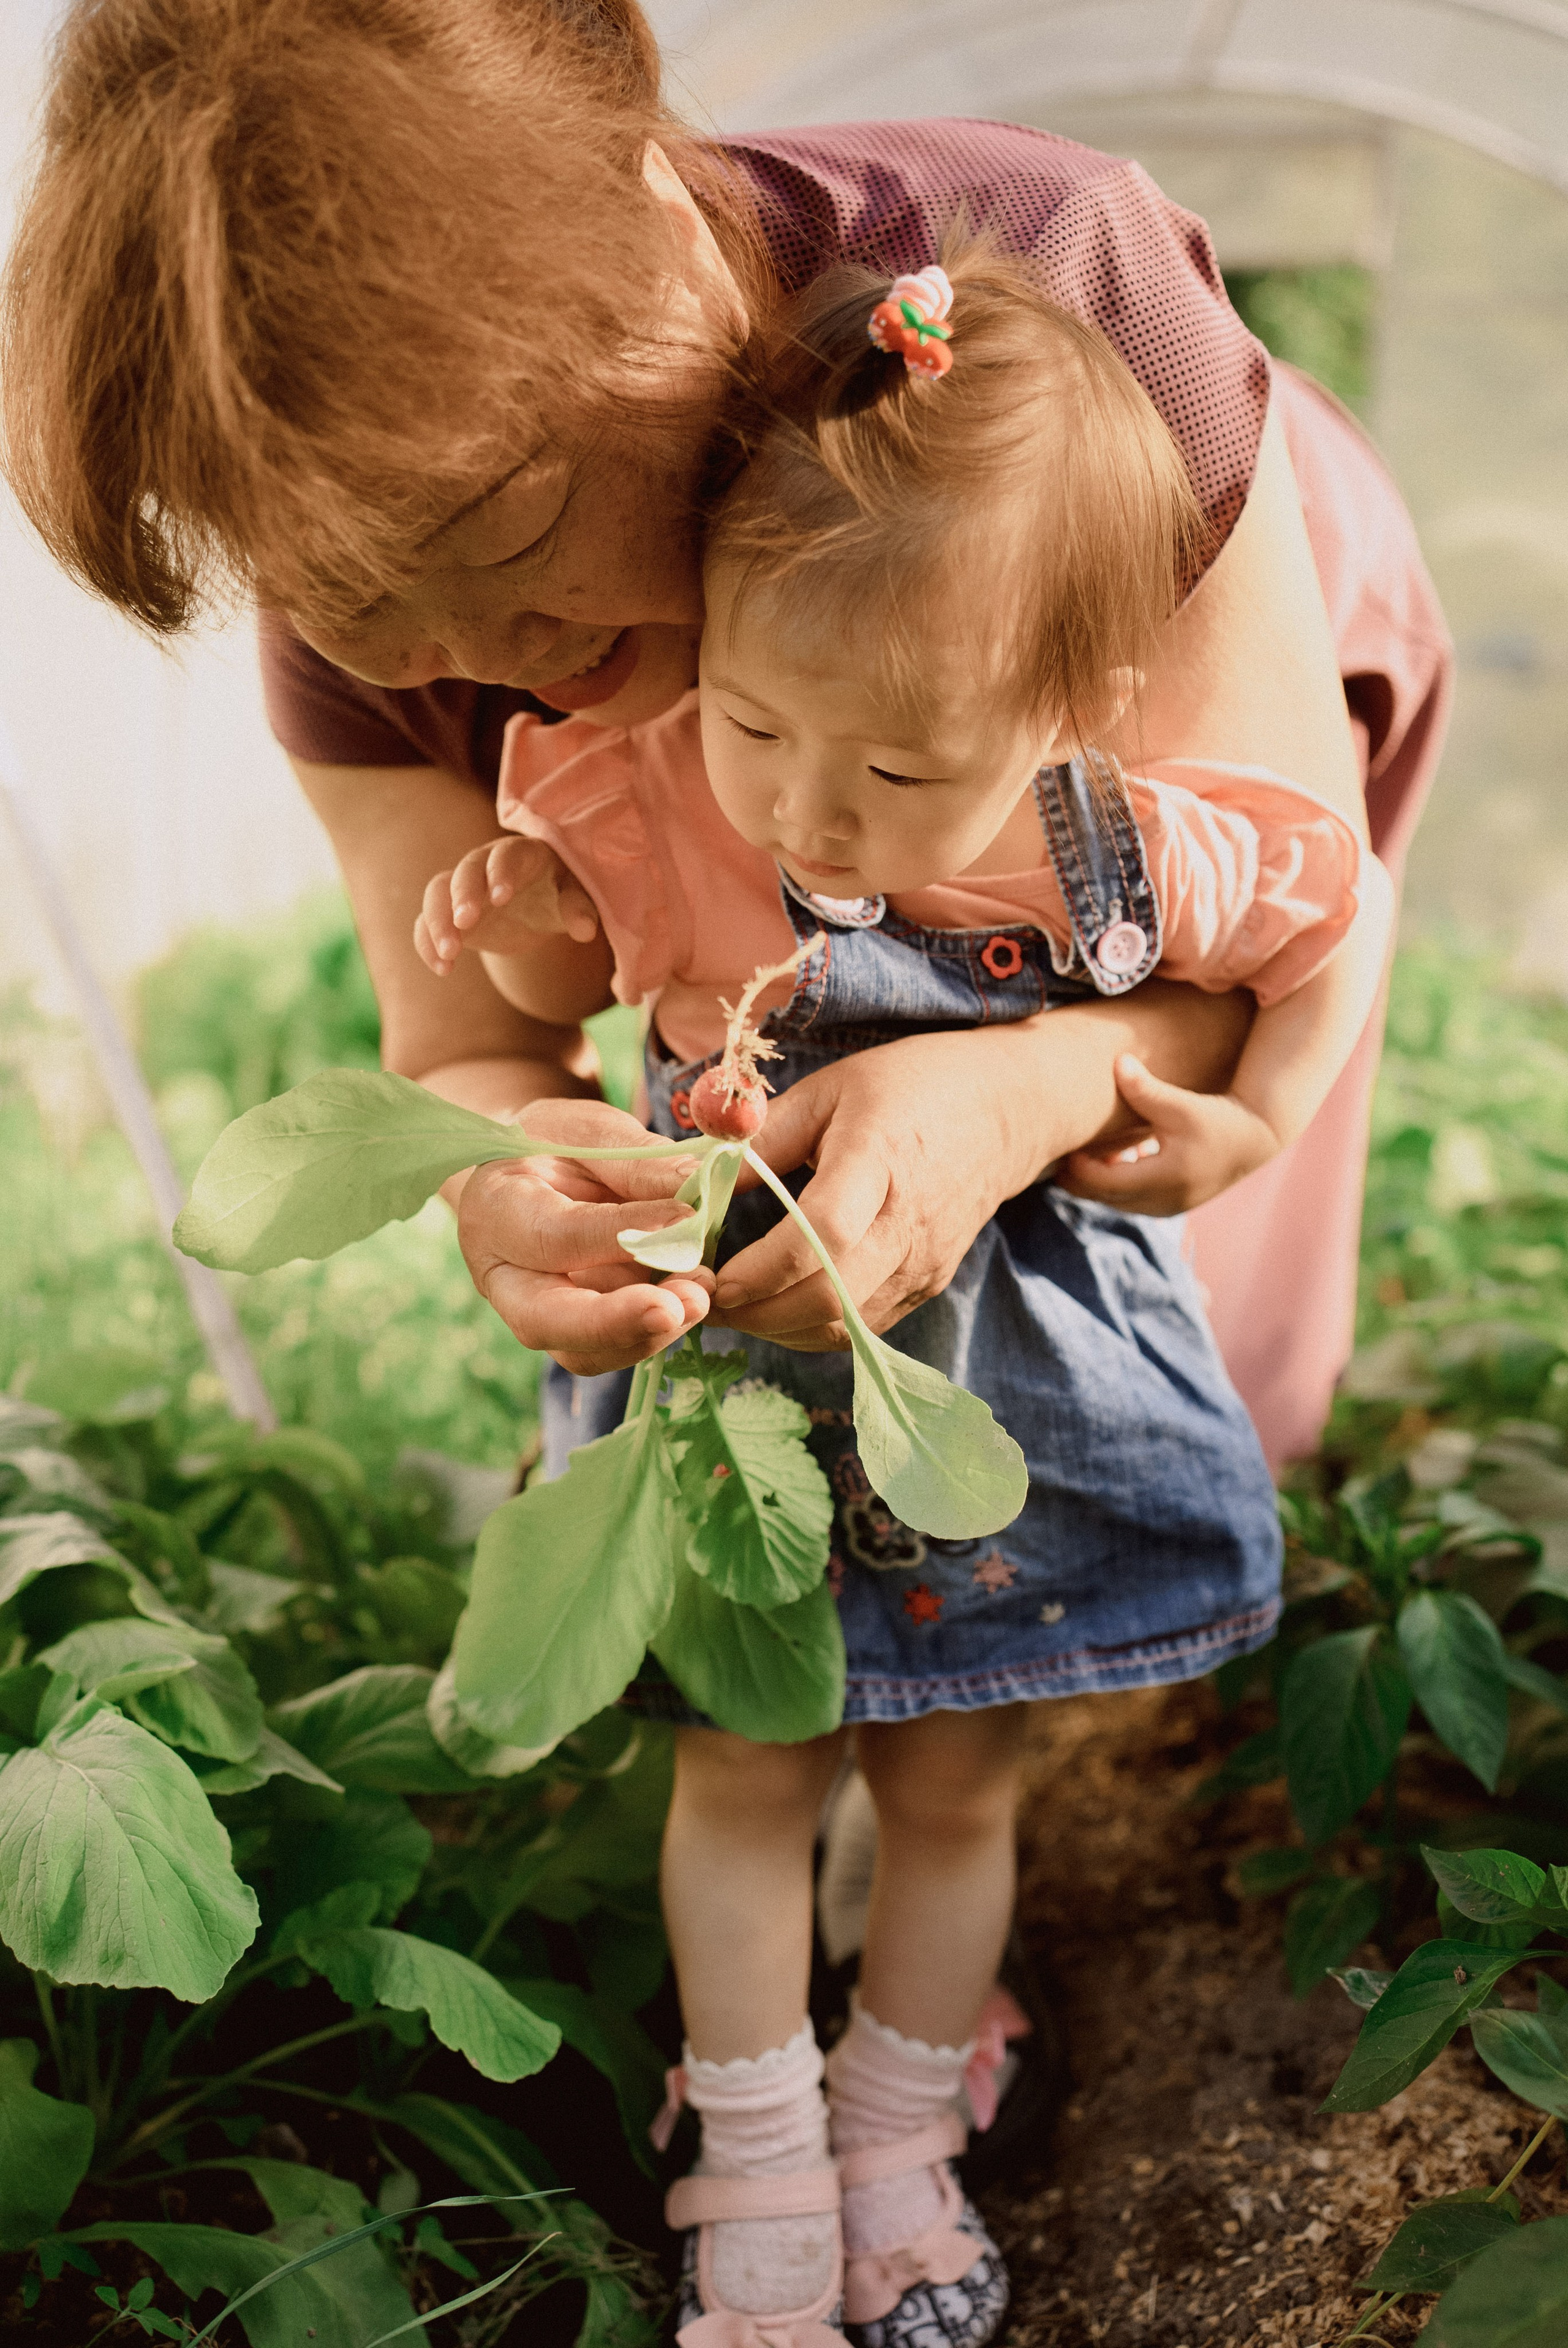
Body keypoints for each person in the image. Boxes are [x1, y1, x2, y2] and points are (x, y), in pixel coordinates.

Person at [0, 0, 1451, 1474]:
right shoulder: (339, 517)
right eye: (362, 606)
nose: (487, 658)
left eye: (513, 533)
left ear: (655, 221)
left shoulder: (1062, 265)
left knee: (1196, 1305)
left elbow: (1261, 945)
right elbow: (468, 1041)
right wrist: (505, 1175)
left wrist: (1033, 1087)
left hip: (1191, 591)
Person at [409, 247, 1390, 2347]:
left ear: (1072, 708)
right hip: (744, 1375)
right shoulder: (660, 789)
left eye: (902, 770)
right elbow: (553, 979)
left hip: (998, 1388)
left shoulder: (1120, 843)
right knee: (748, 1764)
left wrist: (1255, 1102)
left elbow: (1333, 909)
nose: (810, 807)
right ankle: (754, 2139)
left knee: (956, 1781)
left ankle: (899, 2126)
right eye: (760, 720)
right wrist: (521, 925)